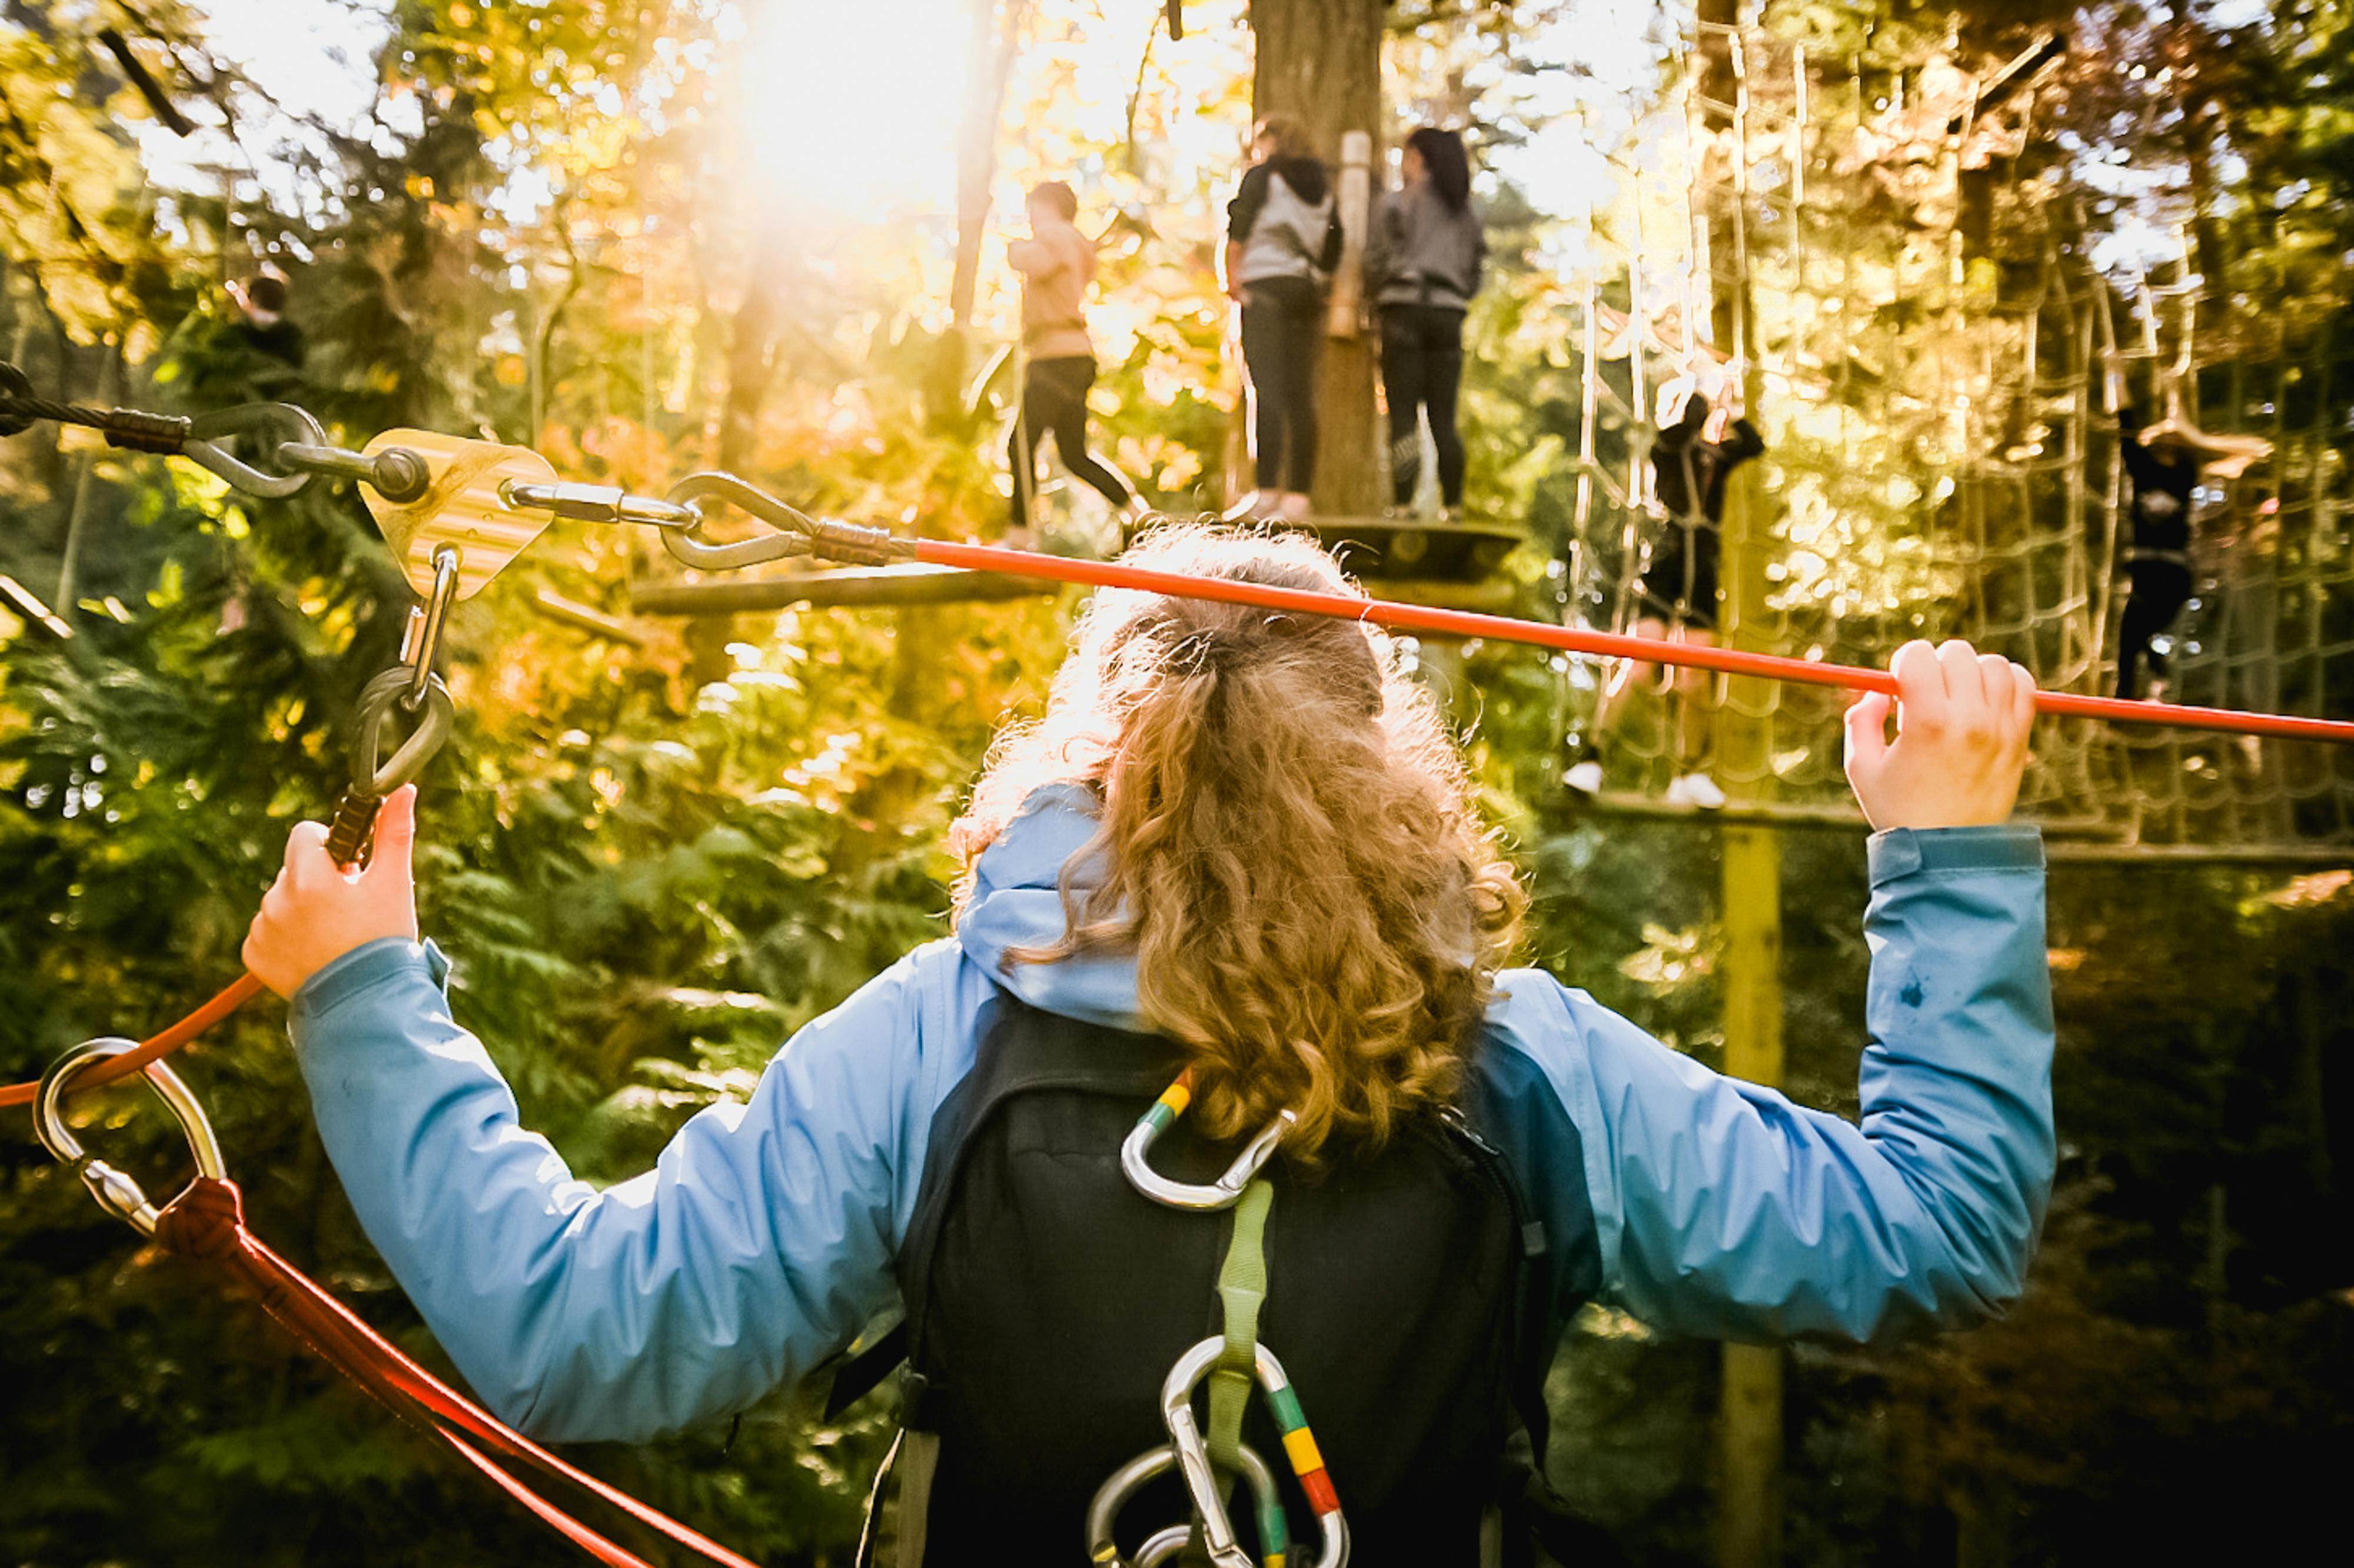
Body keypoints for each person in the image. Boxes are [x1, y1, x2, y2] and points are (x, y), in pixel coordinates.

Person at [243, 528, 2053, 1566]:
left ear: (1085, 752)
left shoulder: (940, 1039)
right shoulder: (1521, 1066)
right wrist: (1948, 849)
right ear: (1385, 759)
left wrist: (364, 990)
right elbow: (1936, 1228)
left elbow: (569, 1330)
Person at [1565, 368, 1766, 808]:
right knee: (1640, 663)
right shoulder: (1668, 448)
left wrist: (1729, 405)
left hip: (1703, 566)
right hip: (1667, 560)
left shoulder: (1718, 458)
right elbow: (1678, 431)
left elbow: (1754, 445)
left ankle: (1690, 771)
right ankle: (1592, 758)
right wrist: (1698, 391)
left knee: (1695, 676)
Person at [1005, 181, 1143, 544]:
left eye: (1033, 208)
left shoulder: (1054, 234)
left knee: (1021, 444)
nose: (1030, 217)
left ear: (1047, 206)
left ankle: (1020, 533)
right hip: (1073, 356)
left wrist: (1014, 249)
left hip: (1056, 359)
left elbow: (1035, 261)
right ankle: (1136, 511)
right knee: (1074, 455)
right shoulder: (1077, 241)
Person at [1223, 114, 1343, 522]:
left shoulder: (1263, 177)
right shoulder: (1323, 188)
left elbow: (1239, 228)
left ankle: (1267, 492)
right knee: (1301, 395)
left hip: (1265, 289)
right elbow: (1334, 246)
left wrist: (1233, 279)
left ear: (1272, 141)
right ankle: (1298, 497)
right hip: (1306, 295)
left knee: (1266, 391)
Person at [1365, 126, 1485, 519]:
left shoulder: (1395, 204)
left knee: (1403, 415)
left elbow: (1374, 261)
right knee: (1443, 419)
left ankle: (1403, 505)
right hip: (1448, 316)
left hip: (1402, 311)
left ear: (1416, 157)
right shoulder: (1465, 213)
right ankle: (1455, 506)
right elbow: (1475, 274)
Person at [2114, 403, 2199, 700]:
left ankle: (2155, 679)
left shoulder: (2185, 474)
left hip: (2173, 577)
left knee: (2134, 636)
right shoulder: (2143, 471)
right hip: (2147, 572)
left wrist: (2176, 405)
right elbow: (2126, 431)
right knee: (2130, 641)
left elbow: (2186, 432)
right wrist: (2116, 381)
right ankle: (2139, 691)